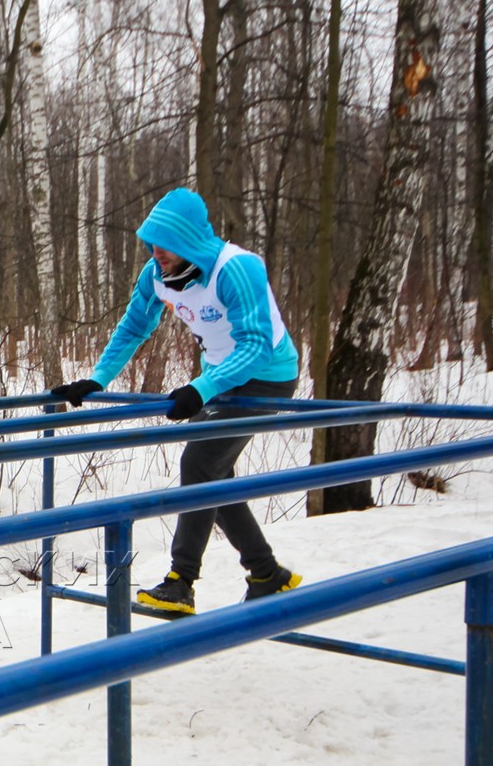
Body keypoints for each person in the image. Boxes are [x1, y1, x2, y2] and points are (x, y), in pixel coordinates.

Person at [49, 187, 303, 616]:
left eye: (165, 243)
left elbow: (257, 344)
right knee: (213, 476)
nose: (156, 251)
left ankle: (180, 581)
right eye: (152, 241)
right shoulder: (156, 273)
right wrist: (96, 378)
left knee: (200, 465)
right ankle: (267, 574)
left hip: (268, 377)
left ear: (188, 240)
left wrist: (201, 387)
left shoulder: (237, 269)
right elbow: (134, 326)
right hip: (220, 379)